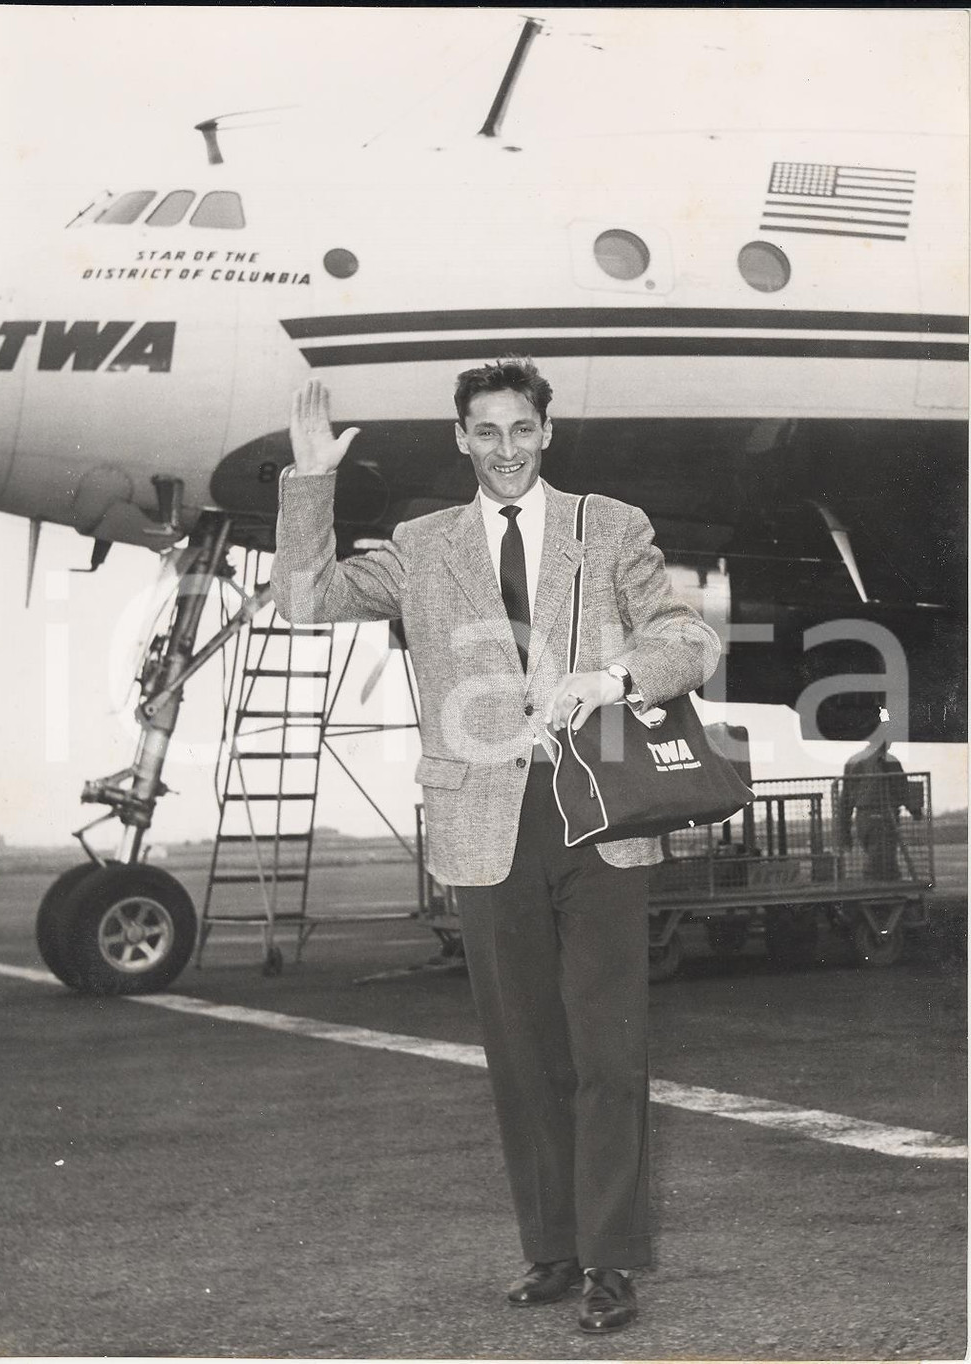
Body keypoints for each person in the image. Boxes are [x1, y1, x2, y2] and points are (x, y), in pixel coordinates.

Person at [270, 359, 720, 1335]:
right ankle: (552, 1245)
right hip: (483, 823)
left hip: (598, 815)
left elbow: (688, 639)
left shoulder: (612, 526)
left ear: (545, 432)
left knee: (610, 1051)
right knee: (522, 1054)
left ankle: (609, 1260)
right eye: (487, 431)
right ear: (461, 439)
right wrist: (311, 483)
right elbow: (306, 602)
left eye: (522, 428)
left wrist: (612, 675)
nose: (506, 448)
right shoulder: (422, 545)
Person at [839, 738, 922, 881]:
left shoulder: (853, 760)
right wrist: (915, 811)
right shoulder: (889, 760)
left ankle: (885, 891)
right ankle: (881, 894)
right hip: (885, 817)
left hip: (863, 819)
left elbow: (845, 798)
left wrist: (844, 833)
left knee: (876, 856)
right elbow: (902, 788)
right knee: (882, 861)